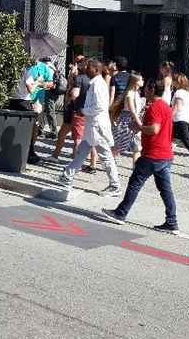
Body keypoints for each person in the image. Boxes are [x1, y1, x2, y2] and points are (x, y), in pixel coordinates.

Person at [103, 78, 179, 233]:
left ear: (151, 90)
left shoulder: (155, 107)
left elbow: (154, 129)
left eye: (146, 89)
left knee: (135, 183)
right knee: (165, 190)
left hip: (153, 154)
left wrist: (139, 126)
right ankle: (172, 222)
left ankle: (120, 213)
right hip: (165, 155)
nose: (144, 91)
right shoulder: (165, 105)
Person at [60, 59, 121, 195]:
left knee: (105, 156)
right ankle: (68, 176)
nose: (85, 69)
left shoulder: (98, 84)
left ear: (95, 69)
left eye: (88, 67)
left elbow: (99, 106)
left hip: (97, 127)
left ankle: (115, 185)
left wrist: (84, 111)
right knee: (82, 152)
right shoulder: (96, 83)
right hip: (92, 126)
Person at [10, 56, 54, 165]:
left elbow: (51, 83)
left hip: (17, 101)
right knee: (27, 130)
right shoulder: (27, 70)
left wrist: (42, 84)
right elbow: (30, 89)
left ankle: (26, 152)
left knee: (25, 128)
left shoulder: (13, 68)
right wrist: (38, 82)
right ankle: (29, 154)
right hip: (24, 101)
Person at [51, 57, 89, 161]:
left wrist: (72, 74)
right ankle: (63, 155)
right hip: (80, 109)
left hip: (73, 108)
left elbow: (71, 92)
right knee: (72, 134)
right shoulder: (86, 78)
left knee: (73, 135)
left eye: (77, 63)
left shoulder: (78, 77)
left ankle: (60, 156)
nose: (74, 65)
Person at [111, 72, 144, 162]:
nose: (143, 81)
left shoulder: (137, 93)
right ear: (135, 81)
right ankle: (110, 161)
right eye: (141, 79)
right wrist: (140, 124)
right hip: (127, 122)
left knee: (137, 147)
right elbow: (132, 111)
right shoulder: (130, 94)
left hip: (134, 120)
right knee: (119, 145)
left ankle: (135, 169)